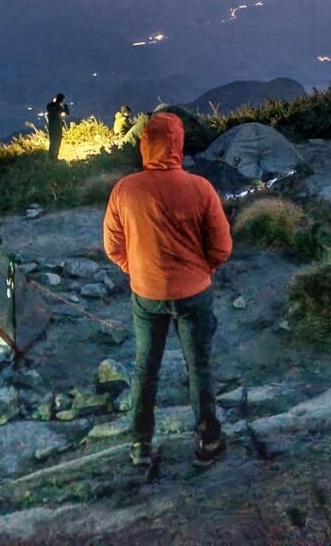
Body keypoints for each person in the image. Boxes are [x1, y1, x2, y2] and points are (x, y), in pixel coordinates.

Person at [103, 112, 232, 469]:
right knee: (199, 366)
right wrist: (202, 271)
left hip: (146, 296)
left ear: (145, 144)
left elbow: (113, 247)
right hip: (194, 294)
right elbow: (222, 247)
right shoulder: (200, 188)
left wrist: (139, 272)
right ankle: (208, 441)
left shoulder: (124, 190)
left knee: (146, 368)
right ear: (178, 143)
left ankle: (140, 446)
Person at [46, 93, 69, 160]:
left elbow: (67, 112)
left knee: (55, 142)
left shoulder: (52, 105)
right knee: (55, 141)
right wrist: (61, 106)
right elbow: (65, 111)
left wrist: (63, 106)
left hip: (55, 126)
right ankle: (52, 157)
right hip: (55, 126)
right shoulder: (52, 106)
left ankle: (53, 157)